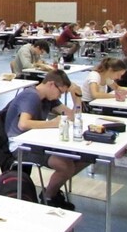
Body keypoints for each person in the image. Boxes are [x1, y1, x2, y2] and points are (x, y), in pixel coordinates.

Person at [5, 70, 87, 210]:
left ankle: (53, 189)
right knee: (65, 166)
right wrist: (52, 123)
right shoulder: (31, 96)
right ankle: (48, 197)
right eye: (60, 92)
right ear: (51, 84)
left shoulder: (49, 99)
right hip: (21, 145)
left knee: (85, 158)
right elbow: (23, 124)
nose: (60, 95)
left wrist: (77, 98)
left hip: (38, 141)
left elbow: (73, 117)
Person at [80, 58, 127, 169]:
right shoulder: (95, 76)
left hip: (98, 106)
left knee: (126, 118)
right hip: (89, 108)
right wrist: (115, 95)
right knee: (120, 121)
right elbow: (95, 94)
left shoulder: (107, 77)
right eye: (118, 74)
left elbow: (118, 88)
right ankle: (120, 156)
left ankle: (123, 151)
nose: (119, 78)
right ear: (111, 70)